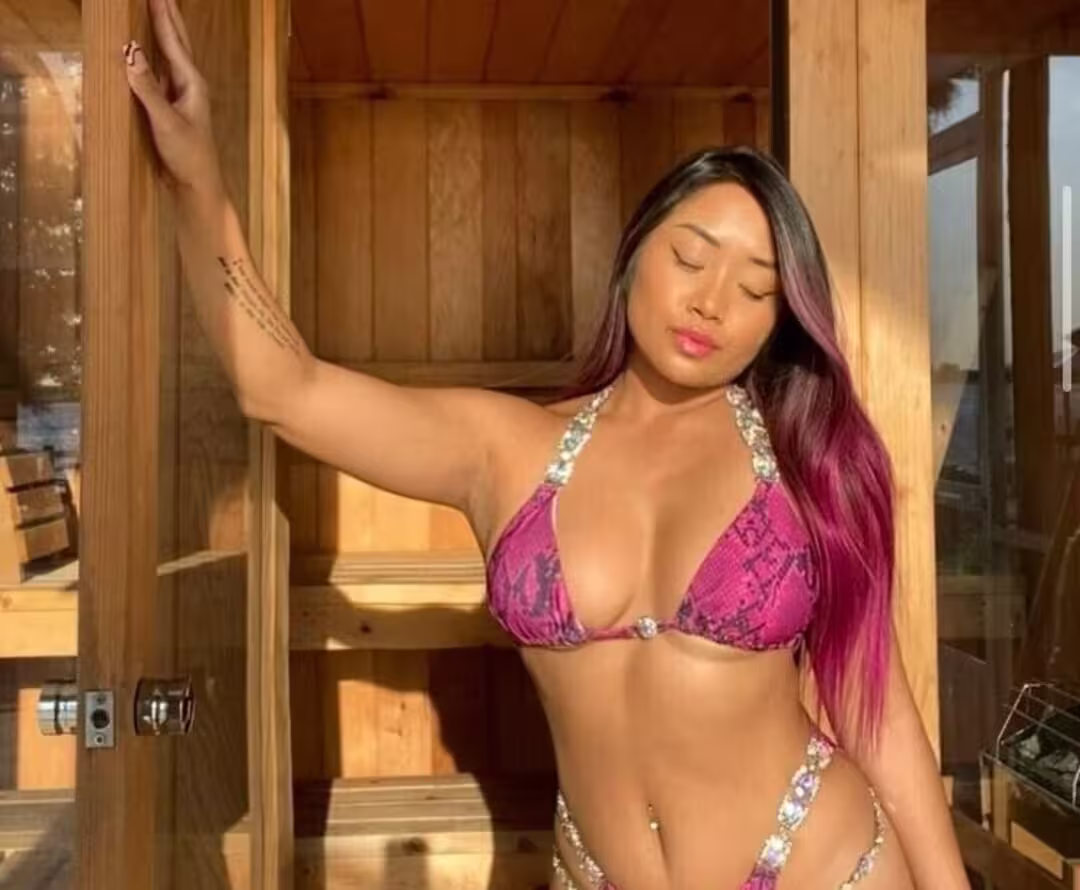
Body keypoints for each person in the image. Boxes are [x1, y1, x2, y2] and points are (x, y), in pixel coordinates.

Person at [124, 1, 970, 887]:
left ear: (780, 318)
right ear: (635, 252)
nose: (711, 301)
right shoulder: (506, 449)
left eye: (756, 289)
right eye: (690, 259)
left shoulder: (808, 459)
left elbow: (876, 709)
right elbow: (282, 389)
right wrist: (197, 180)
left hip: (822, 866)